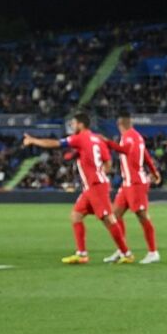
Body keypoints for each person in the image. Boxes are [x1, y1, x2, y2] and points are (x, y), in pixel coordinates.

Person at [23, 112, 133, 264]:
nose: (72, 126)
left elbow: (55, 144)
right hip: (93, 185)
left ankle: (126, 253)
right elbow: (108, 164)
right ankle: (82, 254)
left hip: (96, 186)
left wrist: (33, 140)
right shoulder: (98, 140)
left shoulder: (80, 137)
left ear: (81, 125)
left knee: (108, 219)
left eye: (74, 123)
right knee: (76, 215)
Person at [103, 111, 162, 264]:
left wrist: (108, 143)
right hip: (127, 184)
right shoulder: (136, 136)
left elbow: (127, 150)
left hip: (136, 183)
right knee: (114, 216)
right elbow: (146, 156)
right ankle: (122, 250)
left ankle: (153, 252)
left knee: (142, 216)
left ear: (119, 125)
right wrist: (154, 172)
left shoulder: (129, 137)